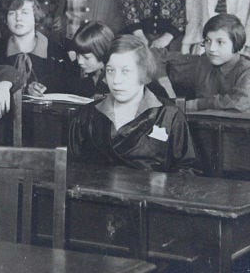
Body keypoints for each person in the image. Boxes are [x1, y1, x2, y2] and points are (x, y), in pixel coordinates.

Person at [68, 35, 198, 172]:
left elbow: (188, 172)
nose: (116, 80)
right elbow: (72, 171)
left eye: (125, 71)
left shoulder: (169, 115)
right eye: (110, 71)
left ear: (144, 72)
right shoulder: (85, 116)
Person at [160, 14, 250, 115]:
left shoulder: (248, 71)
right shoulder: (204, 62)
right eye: (208, 41)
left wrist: (195, 105)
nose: (211, 48)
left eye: (220, 42)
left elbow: (239, 105)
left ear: (236, 44)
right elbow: (162, 58)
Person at [0, 0, 69, 96]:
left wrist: (43, 89)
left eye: (25, 12)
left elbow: (67, 87)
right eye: (12, 13)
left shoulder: (56, 52)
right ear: (5, 19)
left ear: (36, 17)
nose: (18, 18)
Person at [66, 21, 115, 99]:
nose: (79, 61)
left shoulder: (115, 80)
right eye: (78, 55)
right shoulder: (97, 73)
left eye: (86, 57)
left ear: (103, 52)